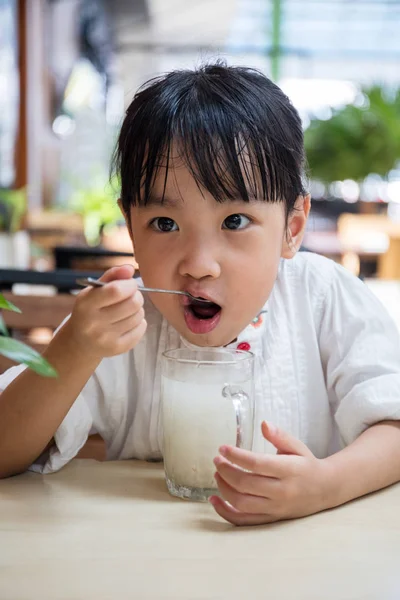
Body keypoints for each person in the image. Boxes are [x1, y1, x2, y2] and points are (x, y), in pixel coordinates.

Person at [1, 62, 400, 526]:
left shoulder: (324, 297)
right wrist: (74, 350)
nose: (198, 264)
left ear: (292, 228)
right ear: (131, 227)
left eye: (235, 221)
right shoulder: (116, 326)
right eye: (164, 224)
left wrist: (327, 484)